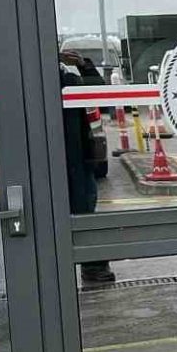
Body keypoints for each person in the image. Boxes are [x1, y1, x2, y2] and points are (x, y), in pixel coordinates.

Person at [62, 51, 113, 284]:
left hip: (74, 159)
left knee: (83, 210)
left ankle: (93, 265)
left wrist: (84, 66)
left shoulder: (68, 81)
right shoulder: (64, 82)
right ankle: (92, 266)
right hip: (69, 159)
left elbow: (99, 93)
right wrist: (83, 66)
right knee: (81, 210)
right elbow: (99, 92)